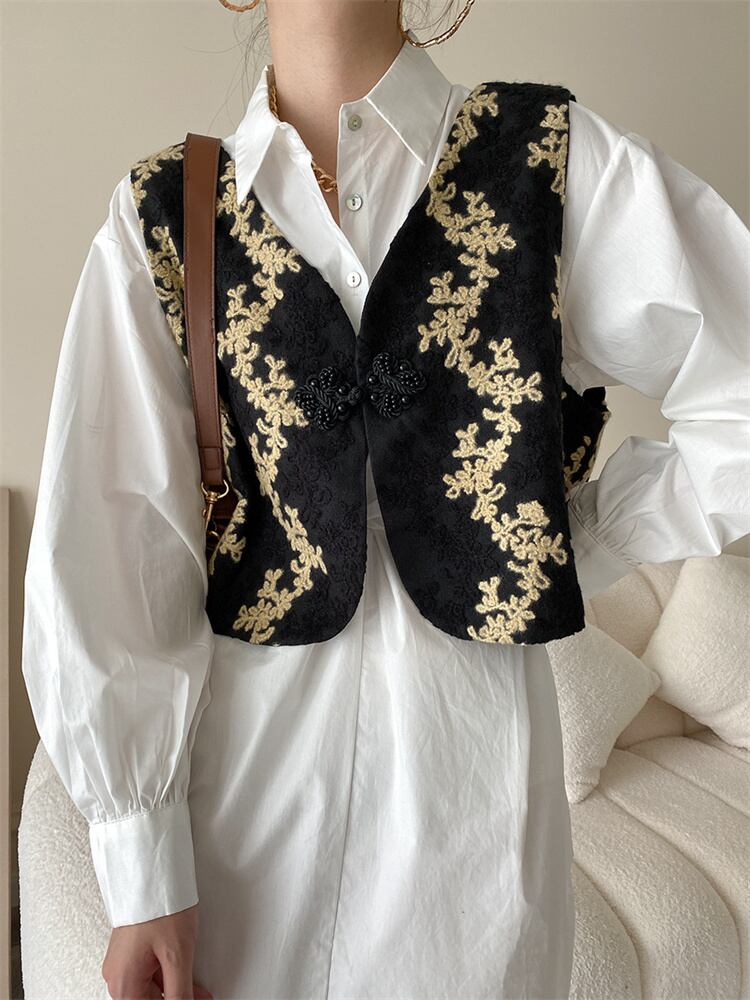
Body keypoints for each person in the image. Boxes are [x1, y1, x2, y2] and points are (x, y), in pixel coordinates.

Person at [20, 1, 749, 998]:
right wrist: (143, 866)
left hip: (472, 820)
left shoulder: (548, 163)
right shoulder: (166, 212)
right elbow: (110, 545)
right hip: (241, 824)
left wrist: (575, 533)